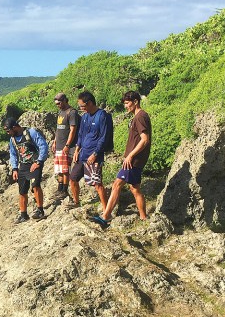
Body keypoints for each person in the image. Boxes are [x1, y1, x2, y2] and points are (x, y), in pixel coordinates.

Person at [91, 90, 151, 229]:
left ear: (135, 102)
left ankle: (105, 217)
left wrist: (130, 155)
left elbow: (144, 140)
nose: (125, 106)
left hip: (133, 160)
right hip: (134, 159)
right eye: (124, 103)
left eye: (127, 103)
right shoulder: (138, 116)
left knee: (117, 184)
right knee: (135, 188)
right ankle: (143, 217)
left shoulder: (140, 116)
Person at [3, 116, 49, 223]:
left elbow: (43, 146)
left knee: (35, 186)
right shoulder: (12, 139)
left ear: (14, 127)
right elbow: (13, 154)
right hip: (23, 165)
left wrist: (39, 162)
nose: (8, 133)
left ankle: (40, 210)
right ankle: (23, 214)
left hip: (35, 163)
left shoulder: (30, 132)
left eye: (8, 130)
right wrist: (14, 169)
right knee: (22, 191)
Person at [69, 91, 110, 210]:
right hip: (82, 154)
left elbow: (103, 137)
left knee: (97, 183)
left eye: (82, 106)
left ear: (90, 103)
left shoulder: (101, 116)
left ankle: (106, 209)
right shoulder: (85, 116)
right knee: (73, 178)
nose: (81, 109)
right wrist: (77, 150)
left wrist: (95, 154)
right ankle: (76, 202)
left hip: (94, 155)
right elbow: (81, 134)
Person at [50, 93, 79, 202]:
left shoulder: (71, 112)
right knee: (59, 169)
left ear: (64, 101)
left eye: (59, 103)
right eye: (56, 104)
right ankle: (60, 188)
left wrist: (67, 145)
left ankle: (64, 190)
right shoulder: (61, 112)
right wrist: (55, 141)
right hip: (59, 144)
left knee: (65, 168)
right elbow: (58, 129)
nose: (58, 105)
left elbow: (73, 130)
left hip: (66, 146)